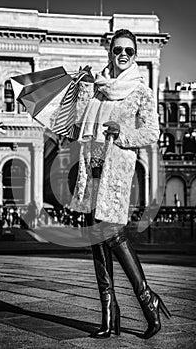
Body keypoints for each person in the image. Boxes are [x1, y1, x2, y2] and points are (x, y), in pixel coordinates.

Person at [70, 29, 171, 339]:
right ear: (110, 52)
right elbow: (76, 127)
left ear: (135, 53)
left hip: (115, 172)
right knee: (97, 242)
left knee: (112, 234)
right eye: (117, 49)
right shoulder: (97, 87)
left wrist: (121, 132)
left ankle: (147, 299)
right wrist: (81, 93)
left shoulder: (140, 91)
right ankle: (109, 317)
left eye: (128, 49)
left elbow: (151, 133)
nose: (123, 53)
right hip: (92, 169)